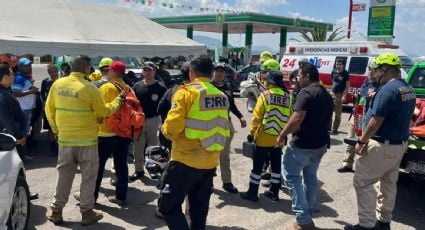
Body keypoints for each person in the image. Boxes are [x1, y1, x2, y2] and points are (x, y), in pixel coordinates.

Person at [45, 55, 123, 226]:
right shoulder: (89, 88)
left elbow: (48, 109)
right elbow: (103, 111)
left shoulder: (57, 85)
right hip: (87, 141)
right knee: (88, 177)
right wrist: (118, 101)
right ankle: (87, 212)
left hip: (65, 140)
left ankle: (56, 210)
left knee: (64, 176)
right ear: (87, 69)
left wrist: (56, 130)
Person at [157, 55, 230, 229]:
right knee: (199, 210)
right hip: (209, 162)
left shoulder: (186, 92)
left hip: (185, 160)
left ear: (191, 72)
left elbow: (171, 129)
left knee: (167, 206)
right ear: (211, 73)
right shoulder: (222, 95)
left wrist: (164, 131)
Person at [344, 53, 416, 230]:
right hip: (398, 145)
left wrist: (361, 140)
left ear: (384, 70)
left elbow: (376, 121)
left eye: (375, 70)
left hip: (381, 145)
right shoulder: (408, 88)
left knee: (363, 182)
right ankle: (384, 222)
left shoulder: (387, 91)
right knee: (388, 184)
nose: (373, 74)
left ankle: (366, 225)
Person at [277, 64, 333, 230]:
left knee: (291, 177)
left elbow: (297, 117)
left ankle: (303, 219)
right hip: (320, 144)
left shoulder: (306, 92)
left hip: (303, 144)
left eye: (299, 76)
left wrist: (282, 134)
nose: (297, 79)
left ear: (307, 76)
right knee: (310, 177)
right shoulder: (325, 93)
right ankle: (308, 210)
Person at [241, 70, 292, 202]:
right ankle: (274, 193)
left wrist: (251, 134)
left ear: (269, 82)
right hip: (279, 137)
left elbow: (257, 118)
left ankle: (252, 192)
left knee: (257, 166)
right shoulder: (288, 97)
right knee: (276, 166)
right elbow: (290, 117)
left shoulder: (265, 96)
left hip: (263, 136)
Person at [92, 61, 131, 206]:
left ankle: (92, 197)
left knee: (98, 166)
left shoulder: (106, 88)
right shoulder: (127, 88)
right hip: (123, 133)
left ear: (113, 72)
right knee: (121, 165)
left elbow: (100, 111)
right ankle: (121, 196)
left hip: (105, 133)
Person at [337, 59, 380, 173]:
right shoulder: (366, 81)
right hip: (357, 114)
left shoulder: (380, 85)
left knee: (364, 142)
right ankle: (347, 163)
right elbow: (361, 93)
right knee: (350, 139)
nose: (371, 72)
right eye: (370, 69)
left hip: (368, 117)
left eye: (374, 70)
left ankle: (363, 167)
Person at [212, 62, 247, 193]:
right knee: (211, 153)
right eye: (217, 70)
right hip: (211, 124)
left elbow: (231, 104)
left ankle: (227, 182)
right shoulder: (208, 86)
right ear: (213, 72)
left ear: (225, 73)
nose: (219, 73)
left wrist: (241, 116)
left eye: (221, 71)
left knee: (224, 154)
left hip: (226, 123)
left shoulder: (227, 86)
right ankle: (208, 180)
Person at [131, 61, 167, 181]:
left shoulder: (161, 87)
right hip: (139, 120)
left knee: (154, 147)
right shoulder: (137, 86)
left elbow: (164, 106)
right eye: (145, 69)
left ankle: (154, 170)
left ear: (154, 71)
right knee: (138, 147)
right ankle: (139, 170)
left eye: (149, 70)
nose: (147, 72)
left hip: (154, 120)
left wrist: (162, 122)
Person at [157, 62, 191, 150]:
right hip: (191, 139)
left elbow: (160, 109)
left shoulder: (173, 90)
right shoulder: (201, 92)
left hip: (171, 135)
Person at [11, 58, 38, 158]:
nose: (29, 67)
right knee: (23, 132)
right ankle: (22, 154)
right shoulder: (18, 78)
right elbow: (15, 93)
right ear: (19, 67)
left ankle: (23, 152)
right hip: (23, 109)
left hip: (26, 108)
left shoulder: (23, 76)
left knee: (25, 131)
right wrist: (31, 91)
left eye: (29, 65)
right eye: (26, 66)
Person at [41, 64, 60, 156]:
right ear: (48, 72)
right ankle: (53, 148)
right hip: (49, 109)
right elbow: (41, 94)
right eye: (51, 72)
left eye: (55, 71)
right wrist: (43, 102)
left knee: (60, 128)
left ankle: (61, 148)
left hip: (60, 109)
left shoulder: (62, 81)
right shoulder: (45, 82)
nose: (53, 74)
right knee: (50, 129)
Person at [330, 59, 350, 134]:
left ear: (343, 65)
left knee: (337, 113)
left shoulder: (345, 73)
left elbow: (347, 85)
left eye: (339, 64)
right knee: (329, 111)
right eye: (337, 64)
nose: (337, 66)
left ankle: (335, 128)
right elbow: (332, 80)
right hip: (332, 93)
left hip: (339, 94)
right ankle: (328, 127)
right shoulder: (334, 71)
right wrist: (332, 89)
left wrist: (344, 96)